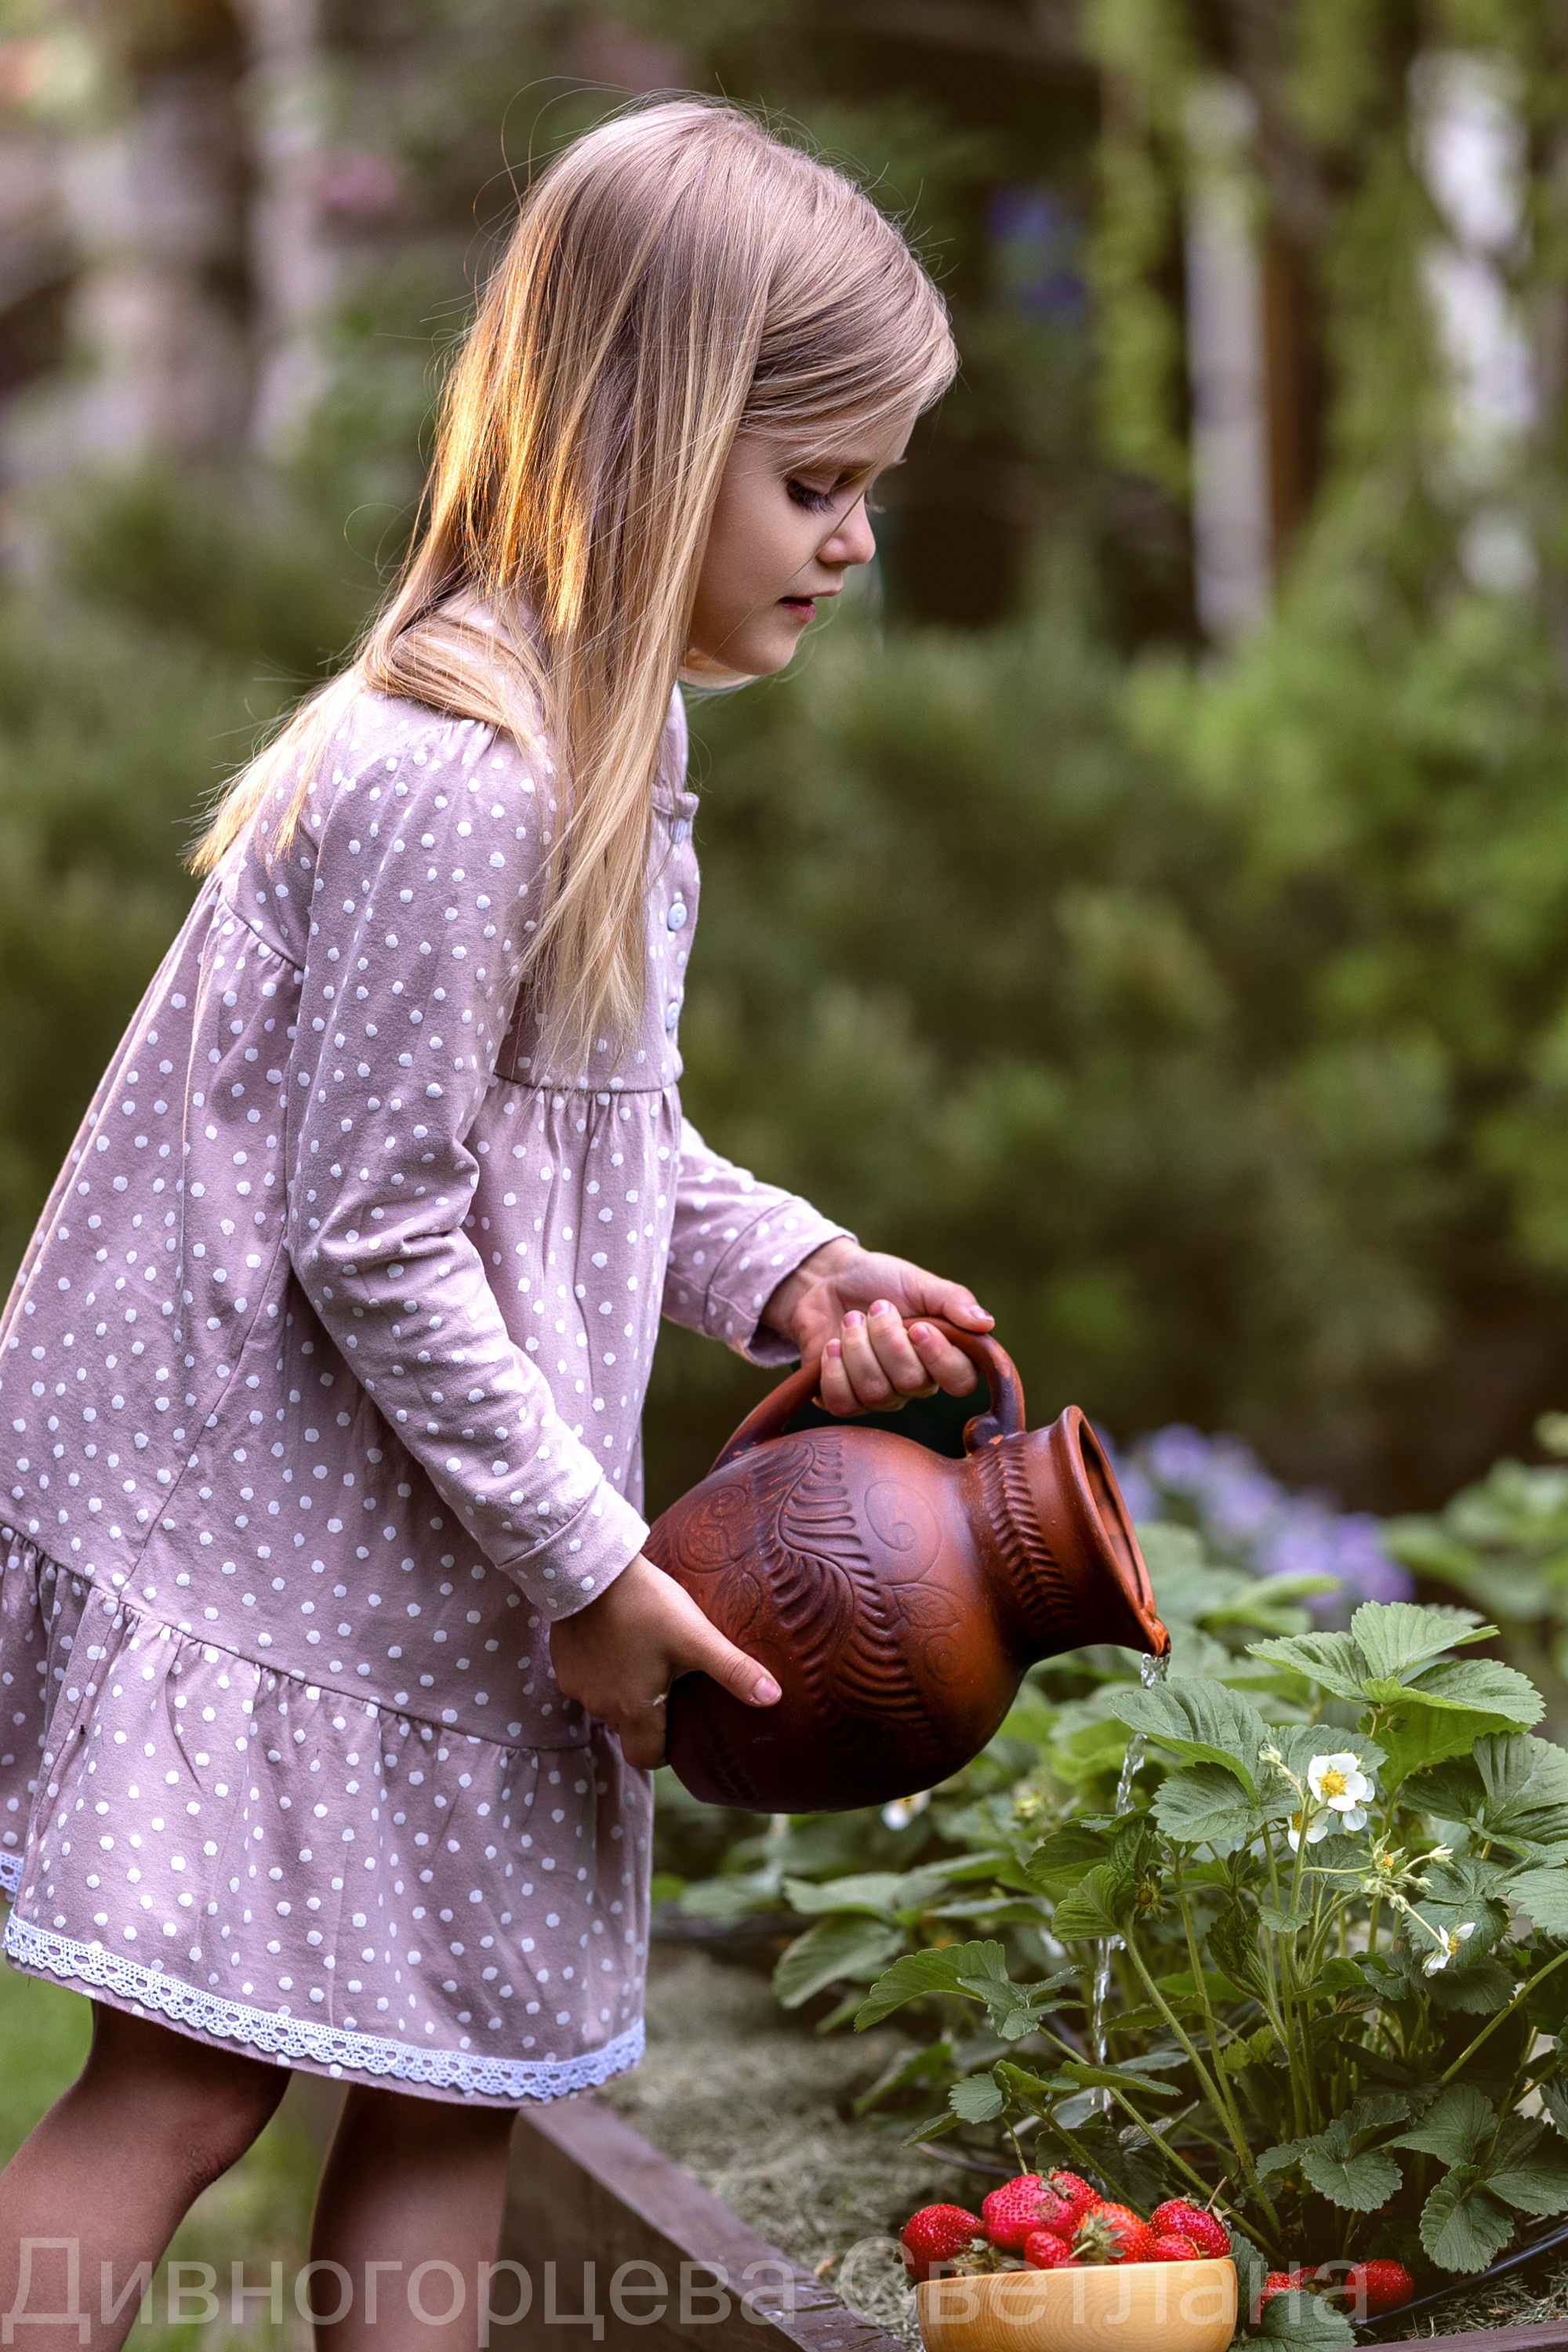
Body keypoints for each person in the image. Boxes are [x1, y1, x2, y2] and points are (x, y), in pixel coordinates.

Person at [0, 97, 991, 2352]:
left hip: (428, 1549)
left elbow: (584, 1134)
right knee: (186, 2087)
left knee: (453, 2096)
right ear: (650, 442)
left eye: (869, 494)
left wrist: (788, 1267)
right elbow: (374, 1234)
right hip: (285, 1547)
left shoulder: (600, 762)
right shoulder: (464, 777)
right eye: (814, 485)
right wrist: (593, 1563)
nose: (849, 546)